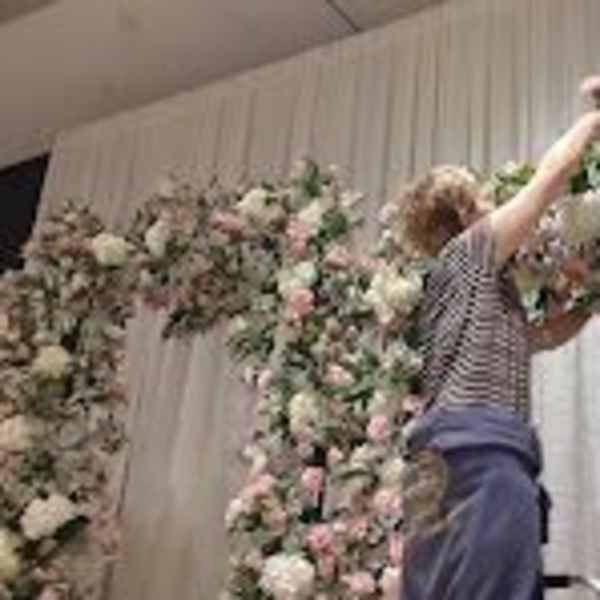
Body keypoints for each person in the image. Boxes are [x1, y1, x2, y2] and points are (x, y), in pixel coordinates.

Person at [399, 80, 600, 600]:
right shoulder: (471, 251)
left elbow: (541, 336)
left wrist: (590, 302)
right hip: (479, 455)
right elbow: (551, 177)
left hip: (434, 468)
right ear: (466, 213)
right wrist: (594, 119)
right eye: (486, 200)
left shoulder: (463, 292)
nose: (495, 207)